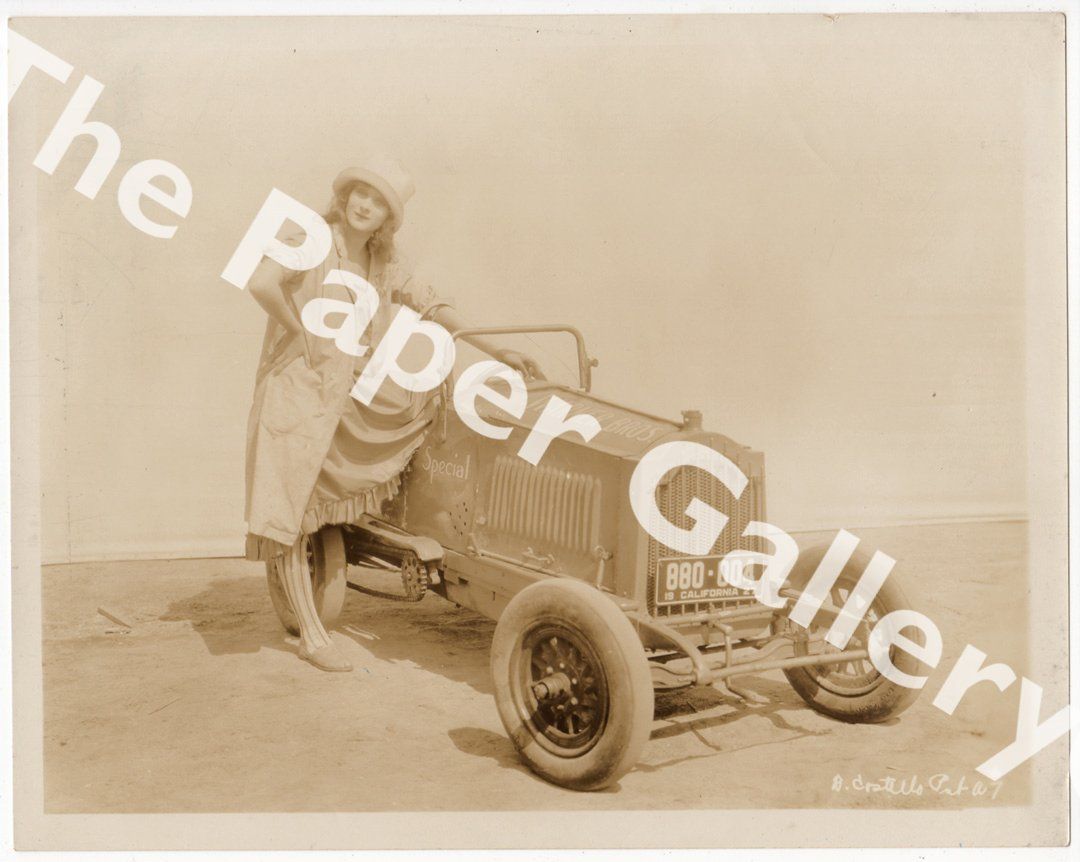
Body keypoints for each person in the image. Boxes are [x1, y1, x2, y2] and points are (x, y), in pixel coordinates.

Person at [243, 157, 541, 671]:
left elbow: (428, 304)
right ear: (345, 197)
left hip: (349, 387)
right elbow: (262, 282)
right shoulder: (311, 235)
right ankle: (311, 637)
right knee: (293, 503)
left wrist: (496, 352)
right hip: (300, 388)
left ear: (388, 218)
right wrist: (300, 331)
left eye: (379, 202)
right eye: (360, 194)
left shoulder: (382, 260)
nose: (365, 205)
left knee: (422, 403)